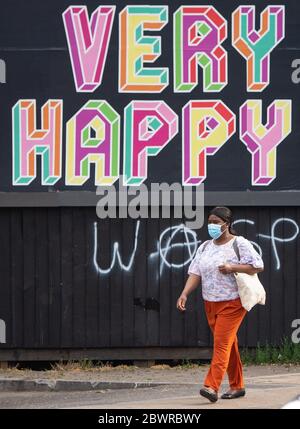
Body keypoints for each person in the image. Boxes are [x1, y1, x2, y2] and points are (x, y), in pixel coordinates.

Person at [176, 206, 264, 403]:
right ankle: (237, 386)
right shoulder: (205, 246)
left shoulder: (239, 243)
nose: (212, 225)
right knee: (229, 344)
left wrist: (232, 267)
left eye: (216, 222)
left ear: (227, 224)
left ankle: (211, 386)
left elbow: (258, 265)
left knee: (221, 344)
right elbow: (195, 272)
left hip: (232, 302)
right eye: (210, 221)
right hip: (210, 302)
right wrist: (185, 293)